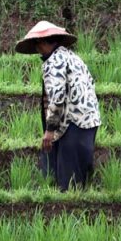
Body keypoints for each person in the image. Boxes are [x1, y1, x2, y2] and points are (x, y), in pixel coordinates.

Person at [15, 20, 101, 191]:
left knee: (69, 180)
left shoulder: (54, 62)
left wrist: (49, 130)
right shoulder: (72, 57)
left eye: (37, 45)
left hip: (73, 122)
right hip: (89, 119)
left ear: (42, 43)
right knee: (79, 174)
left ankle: (69, 211)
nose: (37, 50)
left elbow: (57, 97)